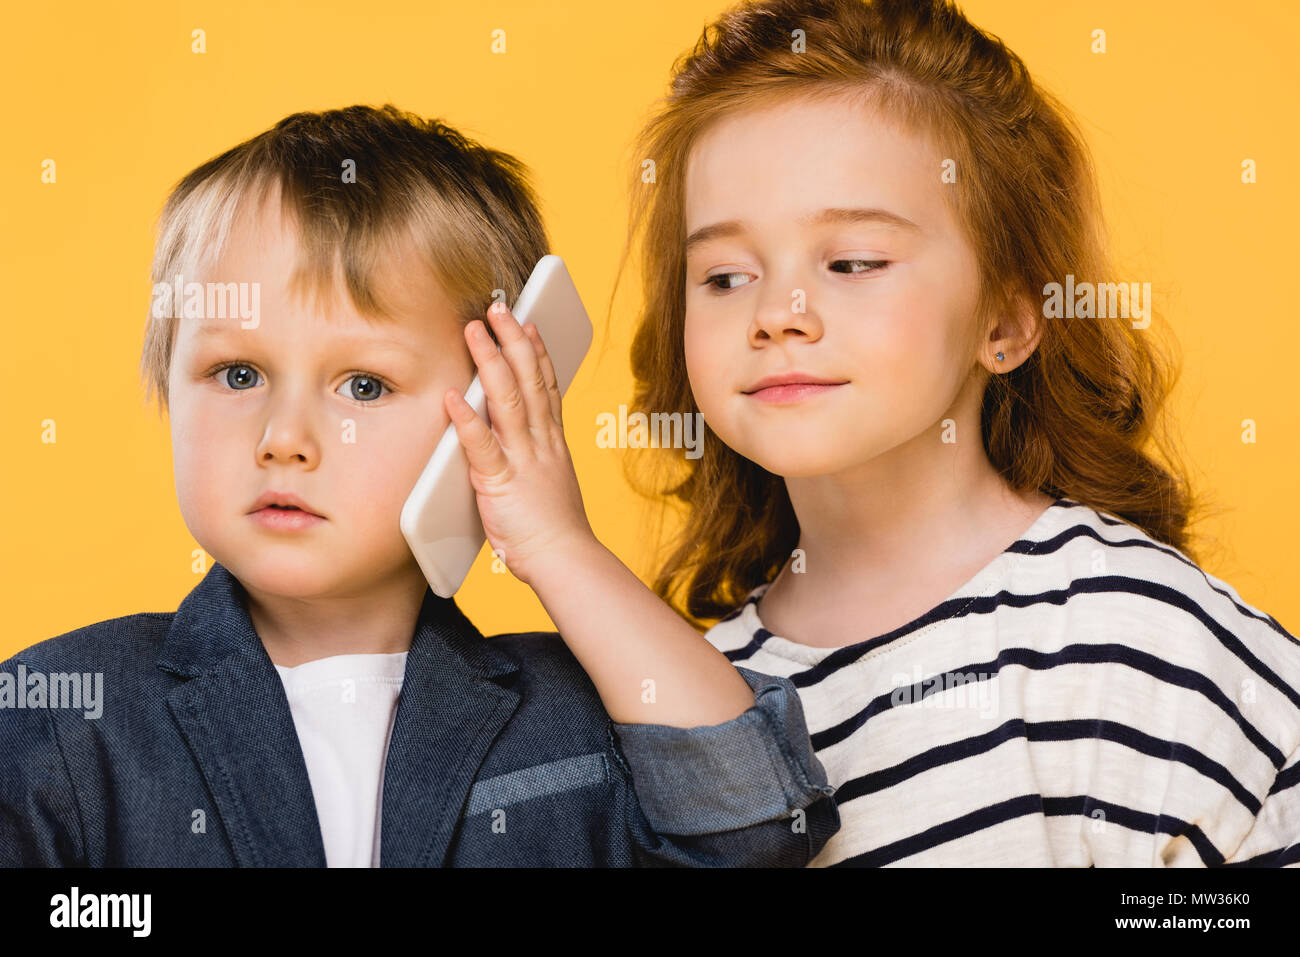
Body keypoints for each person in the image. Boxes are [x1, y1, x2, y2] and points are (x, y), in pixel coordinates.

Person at [0, 104, 838, 867]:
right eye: (238, 371)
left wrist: (556, 544)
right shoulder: (63, 714)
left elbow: (757, 829)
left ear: (492, 403)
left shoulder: (578, 711)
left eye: (363, 385)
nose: (283, 439)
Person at [603, 0, 1299, 866]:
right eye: (725, 275)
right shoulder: (692, 702)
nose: (777, 316)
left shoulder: (1131, 635)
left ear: (1005, 319)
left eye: (852, 262)